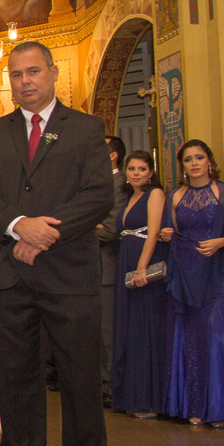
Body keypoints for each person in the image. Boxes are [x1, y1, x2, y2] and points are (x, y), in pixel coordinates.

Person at [0, 41, 115, 446]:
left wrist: (43, 231)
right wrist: (16, 227)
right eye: (16, 74)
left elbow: (98, 196)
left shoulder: (87, 129)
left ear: (53, 74)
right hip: (14, 276)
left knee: (79, 379)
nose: (25, 81)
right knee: (16, 379)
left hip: (69, 274)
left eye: (33, 72)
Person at [158, 140, 224, 428]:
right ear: (183, 166)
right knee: (189, 338)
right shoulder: (174, 195)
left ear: (209, 161)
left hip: (220, 272)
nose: (194, 163)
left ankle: (222, 409)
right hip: (185, 276)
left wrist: (221, 242)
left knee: (217, 332)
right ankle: (195, 406)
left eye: (199, 157)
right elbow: (169, 232)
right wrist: (166, 234)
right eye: (188, 159)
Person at [112, 150, 168, 418]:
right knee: (130, 327)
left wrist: (142, 268)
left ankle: (149, 400)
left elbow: (154, 231)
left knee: (146, 327)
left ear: (151, 172)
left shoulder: (154, 194)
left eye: (141, 169)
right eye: (131, 168)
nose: (135, 173)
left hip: (144, 261)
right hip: (126, 258)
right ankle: (131, 397)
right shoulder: (129, 197)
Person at [97, 135, 129, 408]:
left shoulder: (119, 185)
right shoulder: (98, 184)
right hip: (92, 269)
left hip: (107, 265)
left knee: (107, 332)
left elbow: (109, 230)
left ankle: (109, 386)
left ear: (112, 156)